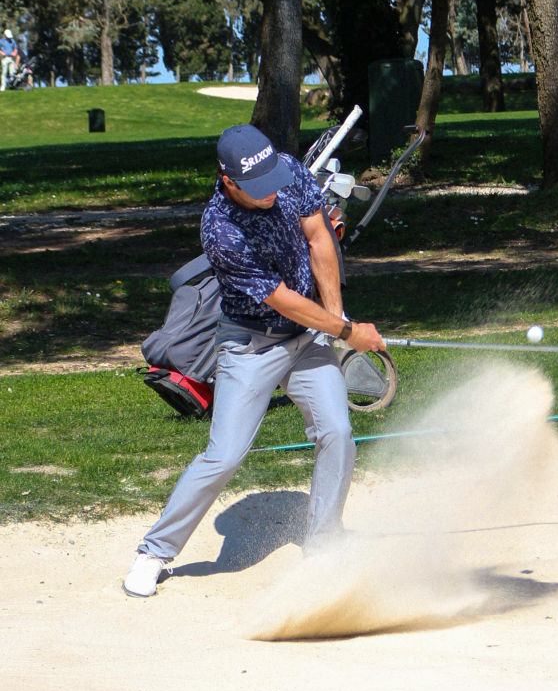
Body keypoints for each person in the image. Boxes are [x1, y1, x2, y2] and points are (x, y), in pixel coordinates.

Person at [123, 123, 385, 597]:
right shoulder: (219, 229)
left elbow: (319, 237)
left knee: (337, 432)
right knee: (224, 454)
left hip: (309, 338)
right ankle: (155, 552)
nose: (270, 193)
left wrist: (334, 315)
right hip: (250, 344)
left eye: (272, 182)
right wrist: (348, 332)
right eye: (257, 189)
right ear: (228, 181)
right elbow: (281, 299)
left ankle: (325, 544)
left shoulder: (284, 169)